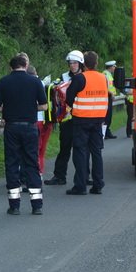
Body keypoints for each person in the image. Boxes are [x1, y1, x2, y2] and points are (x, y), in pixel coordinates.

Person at [0, 54, 48, 215]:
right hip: (30, 127)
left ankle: (14, 205)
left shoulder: (3, 82)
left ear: (11, 67)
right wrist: (29, 107)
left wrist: (9, 108)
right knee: (32, 163)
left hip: (12, 128)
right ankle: (37, 205)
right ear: (25, 65)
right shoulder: (35, 81)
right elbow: (44, 106)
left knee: (12, 164)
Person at [66, 50, 110, 195]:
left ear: (83, 63)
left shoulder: (79, 78)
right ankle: (98, 184)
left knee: (80, 151)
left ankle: (80, 185)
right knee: (96, 152)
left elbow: (69, 98)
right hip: (98, 120)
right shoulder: (103, 78)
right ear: (96, 63)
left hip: (81, 120)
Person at [43, 50, 84, 185]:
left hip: (82, 118)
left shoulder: (85, 76)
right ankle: (59, 176)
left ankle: (85, 176)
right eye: (70, 63)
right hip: (67, 119)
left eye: (74, 63)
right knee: (64, 148)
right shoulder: (63, 77)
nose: (72, 65)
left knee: (82, 150)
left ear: (80, 63)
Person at [103, 60, 118, 139]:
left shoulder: (108, 74)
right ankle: (105, 133)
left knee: (109, 116)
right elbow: (105, 87)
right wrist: (111, 94)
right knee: (107, 116)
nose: (115, 68)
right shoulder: (105, 75)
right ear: (111, 67)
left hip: (109, 96)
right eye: (114, 67)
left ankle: (107, 132)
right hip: (107, 97)